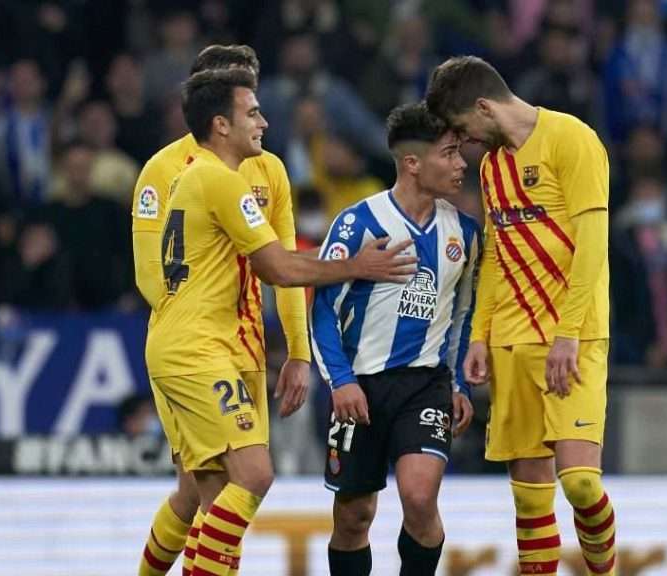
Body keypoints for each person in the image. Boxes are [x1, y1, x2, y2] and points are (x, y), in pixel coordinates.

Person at [139, 67, 416, 576]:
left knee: (214, 494)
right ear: (221, 125)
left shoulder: (198, 174)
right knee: (254, 474)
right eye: (253, 112)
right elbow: (281, 266)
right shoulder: (219, 180)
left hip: (192, 344)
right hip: (196, 348)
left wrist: (295, 349)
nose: (264, 122)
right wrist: (359, 264)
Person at [426, 56, 617, 576]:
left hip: (572, 336)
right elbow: (496, 251)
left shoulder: (571, 139)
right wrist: (480, 335)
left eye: (464, 128)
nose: (464, 143)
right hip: (512, 336)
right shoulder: (493, 166)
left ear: (484, 107)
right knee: (531, 502)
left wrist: (569, 334)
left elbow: (593, 244)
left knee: (580, 483)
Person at [311, 103, 479, 576]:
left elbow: (463, 317)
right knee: (353, 517)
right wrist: (340, 381)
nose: (461, 164)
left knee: (420, 499)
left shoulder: (465, 234)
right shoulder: (356, 223)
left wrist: (460, 385)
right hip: (359, 386)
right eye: (449, 153)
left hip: (424, 385)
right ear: (412, 162)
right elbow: (323, 309)